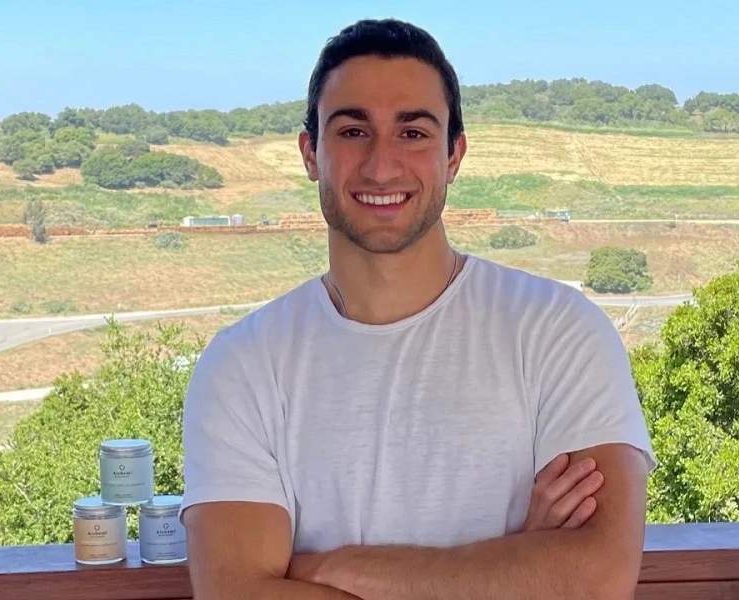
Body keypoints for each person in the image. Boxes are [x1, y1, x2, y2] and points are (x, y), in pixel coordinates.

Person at [180, 17, 657, 600]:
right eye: (353, 131)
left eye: (413, 133)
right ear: (311, 153)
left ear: (454, 155)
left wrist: (337, 570)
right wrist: (514, 570)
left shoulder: (558, 332)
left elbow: (596, 580)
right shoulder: (242, 366)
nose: (382, 166)